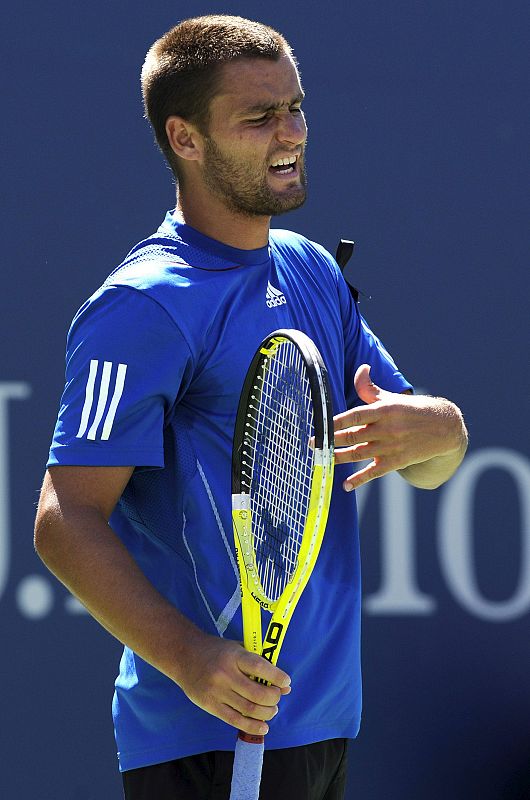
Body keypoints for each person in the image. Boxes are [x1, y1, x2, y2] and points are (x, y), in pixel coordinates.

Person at [34, 15, 468, 800]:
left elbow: (427, 461)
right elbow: (64, 518)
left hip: (326, 721)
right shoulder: (142, 305)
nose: (291, 132)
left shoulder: (308, 269)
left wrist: (442, 429)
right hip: (211, 734)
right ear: (186, 138)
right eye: (259, 116)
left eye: (296, 107)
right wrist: (191, 658)